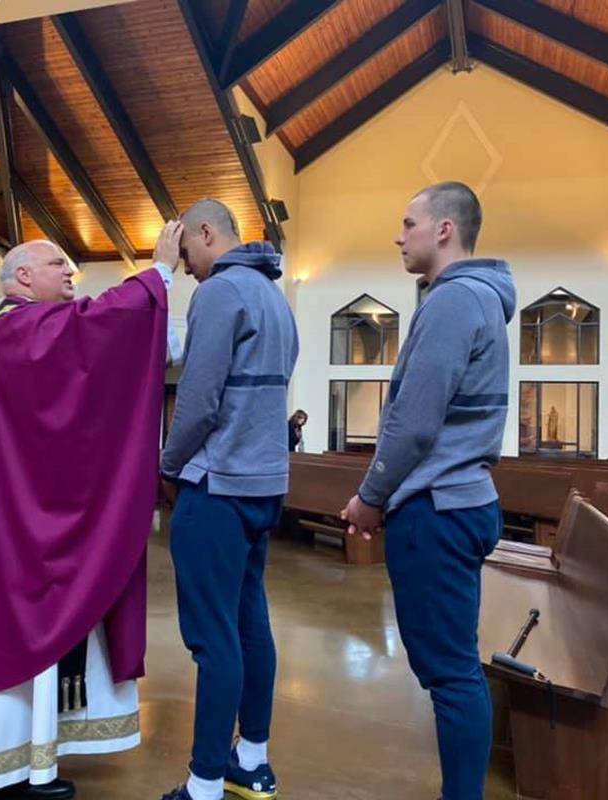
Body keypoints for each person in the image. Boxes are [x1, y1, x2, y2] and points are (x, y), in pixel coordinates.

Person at [0, 227, 183, 800]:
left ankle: (25, 761)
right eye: (57, 265)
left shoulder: (19, 330)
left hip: (16, 517)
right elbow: (96, 327)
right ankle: (8, 767)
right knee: (16, 637)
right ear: (22, 277)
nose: (69, 273)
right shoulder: (18, 331)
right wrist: (157, 274)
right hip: (18, 528)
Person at [339, 182, 515, 800]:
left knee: (452, 675)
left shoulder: (453, 300)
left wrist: (371, 496)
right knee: (453, 670)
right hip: (459, 499)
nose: (399, 234)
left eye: (408, 222)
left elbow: (413, 421)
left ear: (444, 229)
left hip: (439, 507)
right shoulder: (475, 299)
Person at [157, 199, 298, 800]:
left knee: (213, 640)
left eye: (185, 251)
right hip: (264, 485)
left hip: (216, 488)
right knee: (248, 627)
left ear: (206, 233)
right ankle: (252, 759)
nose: (186, 265)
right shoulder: (275, 297)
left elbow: (198, 400)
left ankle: (205, 783)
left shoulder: (219, 292)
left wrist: (164, 465)